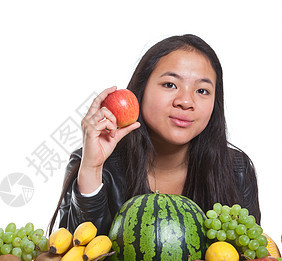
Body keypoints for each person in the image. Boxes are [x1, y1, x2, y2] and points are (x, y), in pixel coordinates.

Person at [49, 34, 260, 235]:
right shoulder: (91, 164)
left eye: (202, 90)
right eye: (170, 84)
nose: (185, 101)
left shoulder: (236, 170)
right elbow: (75, 260)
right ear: (141, 91)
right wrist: (92, 169)